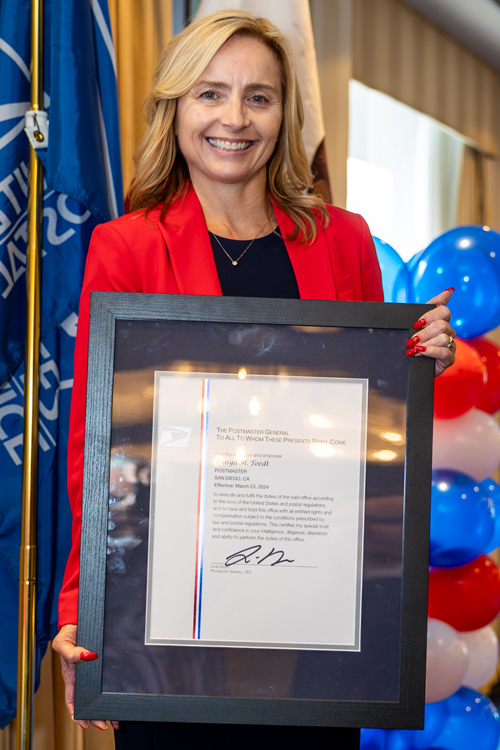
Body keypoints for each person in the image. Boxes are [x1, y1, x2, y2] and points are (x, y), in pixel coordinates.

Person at [52, 10, 456, 748]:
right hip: (167, 621)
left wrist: (421, 356)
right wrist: (87, 605)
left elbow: (376, 415)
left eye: (258, 97)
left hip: (316, 618)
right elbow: (97, 442)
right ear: (176, 107)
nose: (233, 118)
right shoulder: (126, 247)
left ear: (284, 112)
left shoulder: (343, 240)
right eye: (211, 94)